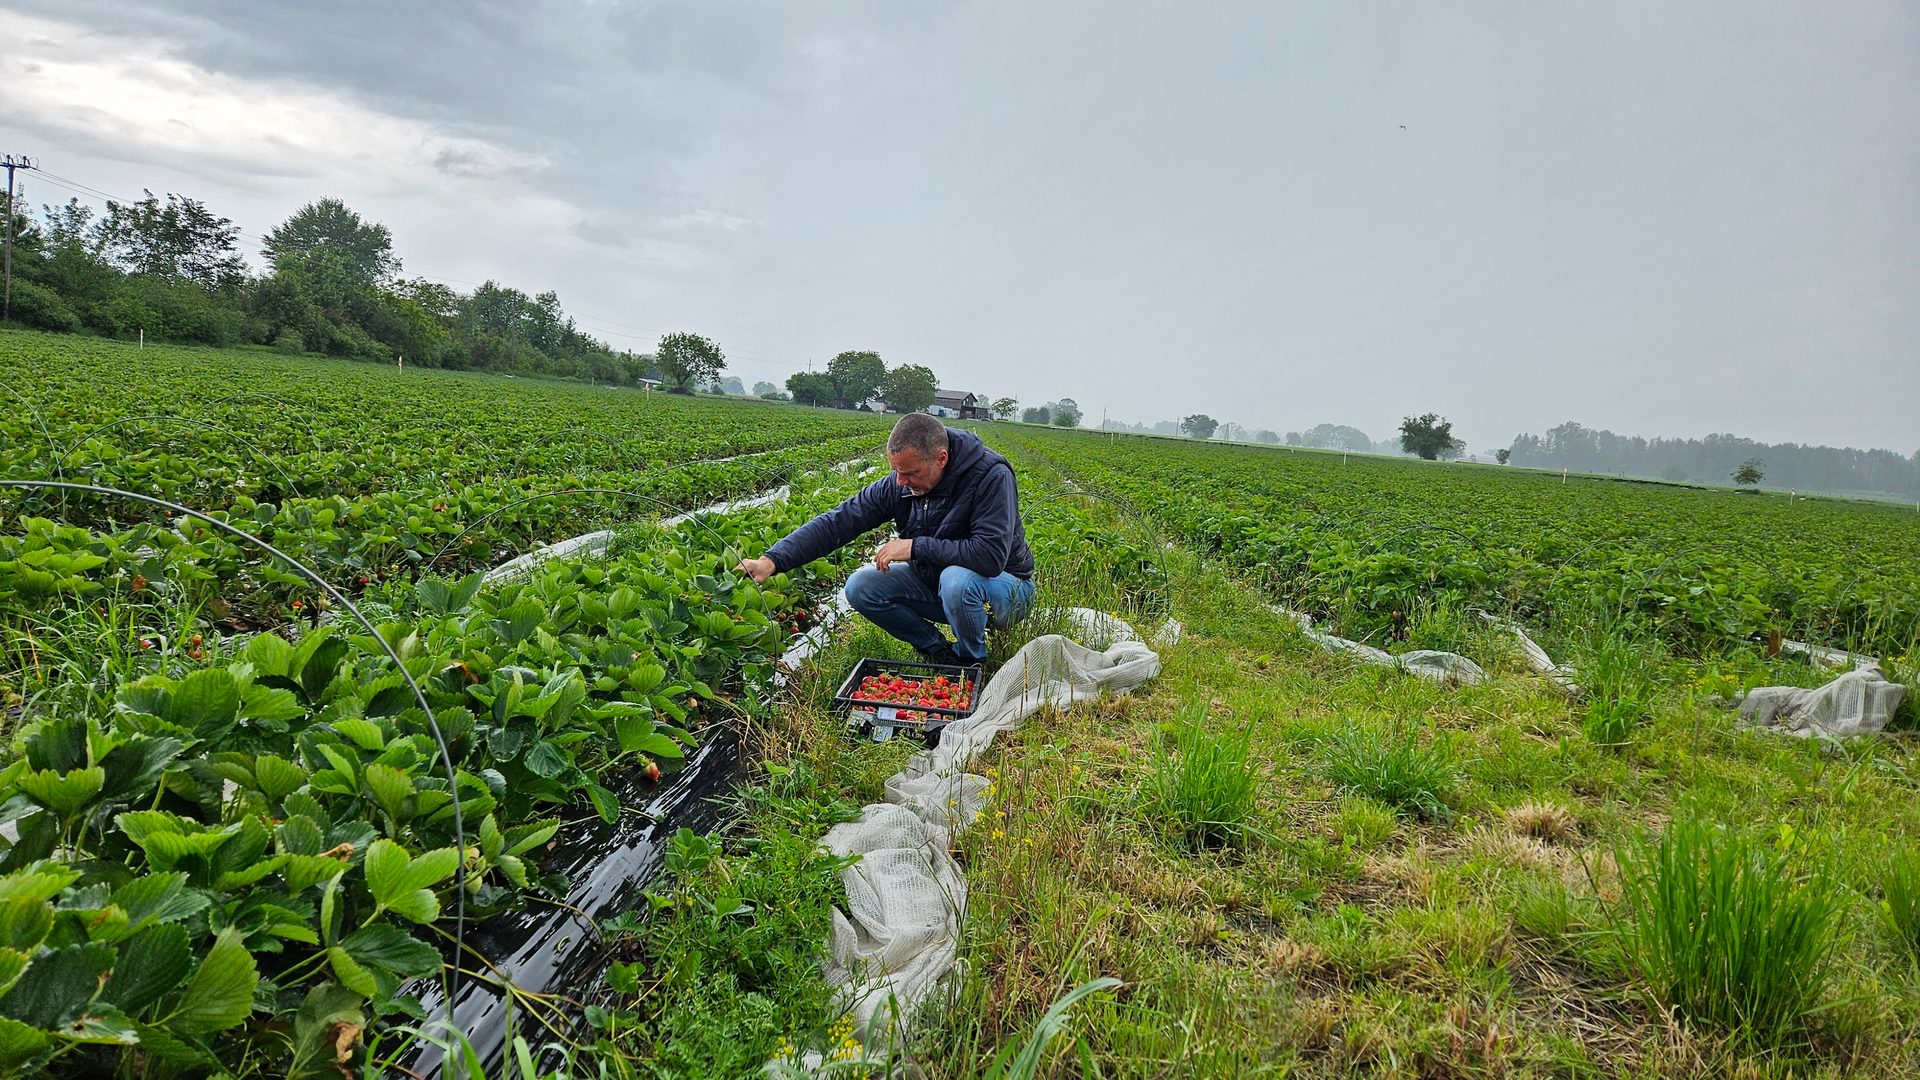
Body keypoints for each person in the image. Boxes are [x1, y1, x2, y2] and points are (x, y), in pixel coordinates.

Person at [735, 413, 1035, 667]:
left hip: (1007, 590)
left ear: (941, 459)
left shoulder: (990, 475)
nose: (901, 482)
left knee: (958, 580)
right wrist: (772, 560)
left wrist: (916, 547)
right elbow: (840, 520)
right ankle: (941, 654)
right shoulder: (901, 483)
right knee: (861, 586)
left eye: (910, 473)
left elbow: (990, 556)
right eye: (896, 472)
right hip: (943, 587)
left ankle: (973, 663)